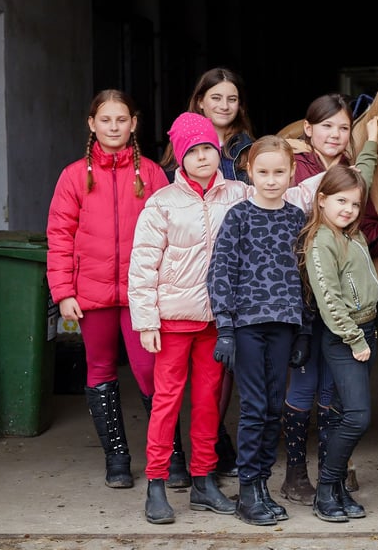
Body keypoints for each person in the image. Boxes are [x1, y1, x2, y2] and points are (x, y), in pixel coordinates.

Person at [46, 89, 171, 490]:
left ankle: (169, 455)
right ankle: (116, 457)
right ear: (92, 124)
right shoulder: (73, 176)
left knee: (151, 372)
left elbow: (169, 233)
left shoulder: (151, 173)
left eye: (121, 120)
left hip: (141, 294)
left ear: (134, 123)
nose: (113, 127)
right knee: (99, 371)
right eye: (105, 120)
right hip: (92, 293)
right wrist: (64, 291)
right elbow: (59, 236)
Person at [129, 112, 239, 524]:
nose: (202, 156)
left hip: (216, 321)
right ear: (179, 156)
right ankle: (156, 483)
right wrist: (147, 322)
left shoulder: (237, 195)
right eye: (192, 151)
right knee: (167, 403)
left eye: (208, 148)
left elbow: (283, 193)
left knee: (209, 402)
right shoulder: (161, 204)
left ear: (219, 149)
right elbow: (142, 267)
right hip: (174, 321)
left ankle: (204, 481)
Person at [206, 134, 312, 526]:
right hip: (248, 325)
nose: (271, 179)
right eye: (263, 172)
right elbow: (220, 273)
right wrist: (226, 329)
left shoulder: (295, 218)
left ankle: (263, 483)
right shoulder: (239, 216)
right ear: (250, 171)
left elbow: (303, 277)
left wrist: (304, 329)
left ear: (291, 173)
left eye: (279, 172)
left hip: (284, 324)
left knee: (272, 408)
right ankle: (247, 489)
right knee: (253, 407)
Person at [279, 98, 378, 505]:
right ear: (308, 128)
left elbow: (361, 179)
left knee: (330, 392)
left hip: (341, 305)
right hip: (310, 297)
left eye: (343, 128)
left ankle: (330, 477)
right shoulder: (296, 166)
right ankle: (296, 472)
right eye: (327, 127)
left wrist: (370, 144)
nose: (335, 135)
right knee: (304, 385)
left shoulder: (349, 177)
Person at [159, 67, 257, 477]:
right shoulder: (171, 171)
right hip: (183, 287)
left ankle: (212, 450)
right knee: (174, 385)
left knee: (219, 376)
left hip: (232, 283)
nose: (224, 105)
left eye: (231, 98)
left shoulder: (248, 151)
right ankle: (176, 459)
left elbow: (276, 193)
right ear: (200, 100)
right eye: (215, 97)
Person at [297, 165, 378, 522]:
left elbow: (364, 172)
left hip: (366, 330)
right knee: (358, 417)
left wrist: (372, 145)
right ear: (322, 200)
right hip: (346, 337)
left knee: (347, 413)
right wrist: (354, 339)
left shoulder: (351, 233)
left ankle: (339, 490)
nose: (348, 209)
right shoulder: (322, 240)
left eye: (355, 204)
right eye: (340, 201)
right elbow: (328, 298)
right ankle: (327, 488)